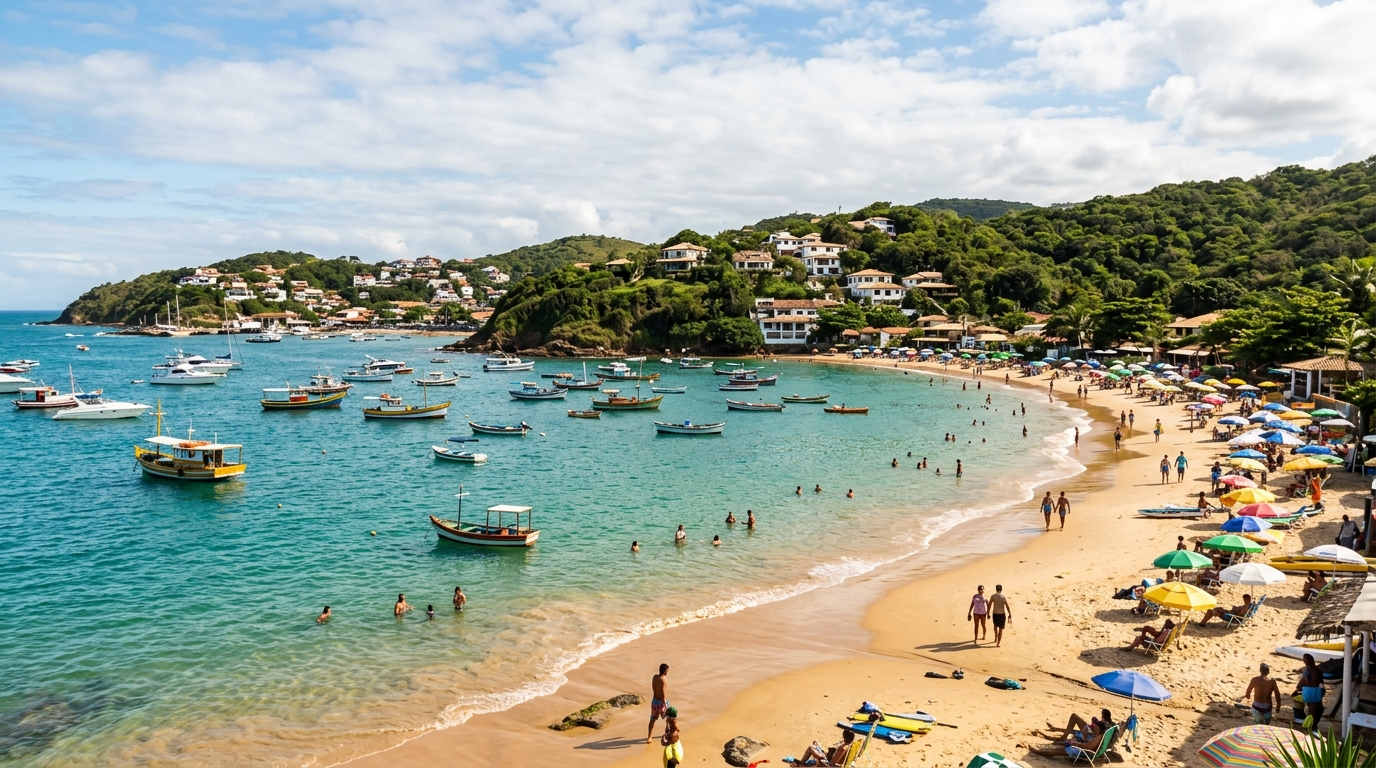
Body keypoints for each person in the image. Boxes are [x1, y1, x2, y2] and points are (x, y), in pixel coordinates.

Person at [1295, 653, 1324, 726]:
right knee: (1316, 710)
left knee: (1311, 710)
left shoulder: (1306, 670)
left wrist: (1298, 688)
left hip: (1307, 692)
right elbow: (1321, 683)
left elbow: (1302, 682)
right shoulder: (1317, 670)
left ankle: (1310, 725)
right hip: (1314, 691)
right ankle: (1311, 725)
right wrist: (1323, 691)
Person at [647, 663, 669, 742]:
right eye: (667, 671)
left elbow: (653, 687)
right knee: (670, 716)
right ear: (664, 671)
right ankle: (667, 732)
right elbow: (663, 692)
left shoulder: (654, 677)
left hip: (654, 701)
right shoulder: (663, 679)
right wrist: (665, 704)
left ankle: (649, 737)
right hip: (661, 702)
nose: (667, 672)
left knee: (652, 719)